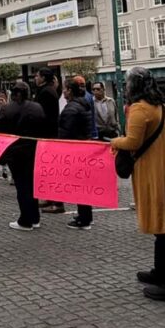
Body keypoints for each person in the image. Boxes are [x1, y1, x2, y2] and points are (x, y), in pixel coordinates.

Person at [111, 67, 165, 304]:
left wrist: (113, 141)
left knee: (163, 228)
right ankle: (160, 272)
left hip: (153, 172)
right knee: (163, 225)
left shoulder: (140, 108)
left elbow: (132, 141)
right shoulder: (162, 108)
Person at [0, 81, 46, 230]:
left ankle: (25, 220)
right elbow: (44, 127)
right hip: (34, 150)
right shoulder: (37, 107)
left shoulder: (6, 109)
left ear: (13, 94)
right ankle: (35, 218)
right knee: (31, 184)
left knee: (22, 186)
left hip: (15, 152)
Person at [59, 80, 96, 229]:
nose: (63, 93)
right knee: (83, 184)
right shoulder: (83, 104)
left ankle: (83, 219)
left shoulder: (72, 108)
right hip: (84, 147)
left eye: (65, 90)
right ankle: (86, 215)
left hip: (75, 150)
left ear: (70, 91)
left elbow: (65, 132)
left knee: (79, 185)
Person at [34, 68, 63, 213]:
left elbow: (41, 114)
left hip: (48, 134)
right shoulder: (48, 90)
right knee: (47, 170)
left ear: (43, 78)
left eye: (37, 75)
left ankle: (57, 203)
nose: (35, 77)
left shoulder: (46, 92)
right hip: (47, 133)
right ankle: (50, 198)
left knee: (51, 170)